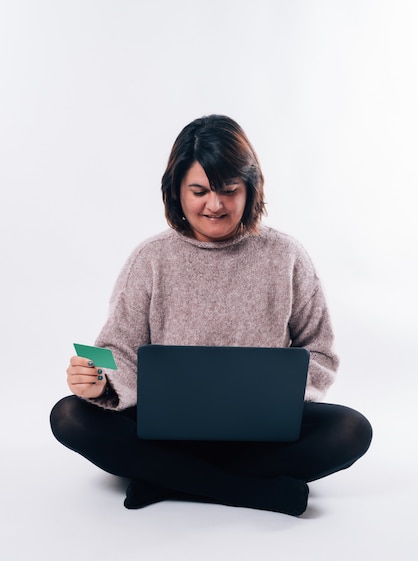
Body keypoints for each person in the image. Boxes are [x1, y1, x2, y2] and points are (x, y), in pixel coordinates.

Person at [50, 114, 372, 516]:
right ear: (177, 192)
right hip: (166, 433)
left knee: (352, 429)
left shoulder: (287, 256)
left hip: (260, 434)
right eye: (199, 191)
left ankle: (168, 478)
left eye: (228, 190)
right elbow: (114, 348)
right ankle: (250, 490)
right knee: (68, 415)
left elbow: (320, 351)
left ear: (249, 189)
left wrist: (282, 400)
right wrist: (96, 379)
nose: (214, 205)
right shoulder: (150, 257)